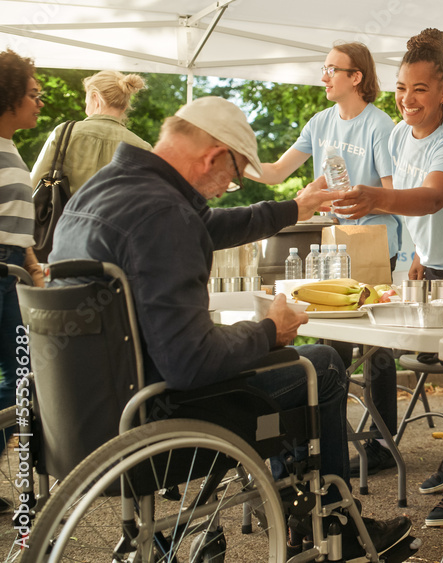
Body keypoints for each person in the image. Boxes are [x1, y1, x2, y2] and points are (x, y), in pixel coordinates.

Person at [47, 96, 414, 560]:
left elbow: (206, 228)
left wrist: (292, 209)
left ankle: (292, 501)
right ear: (214, 156)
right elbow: (191, 362)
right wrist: (268, 330)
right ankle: (333, 521)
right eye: (235, 173)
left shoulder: (105, 190)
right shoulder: (165, 213)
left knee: (280, 360)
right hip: (152, 421)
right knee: (319, 363)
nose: (228, 186)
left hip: (81, 414)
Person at [333, 28, 443, 528]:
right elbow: (405, 200)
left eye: (420, 89)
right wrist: (416, 252)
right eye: (402, 88)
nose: (407, 99)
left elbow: (429, 198)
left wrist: (376, 200)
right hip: (432, 265)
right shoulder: (397, 133)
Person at [247, 41, 404, 478]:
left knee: (377, 348)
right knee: (328, 343)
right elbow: (277, 172)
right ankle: (326, 441)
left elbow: (392, 194)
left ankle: (381, 443)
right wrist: (233, 157)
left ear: (357, 77)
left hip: (375, 245)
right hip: (333, 247)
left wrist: (358, 201)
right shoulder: (320, 122)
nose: (324, 76)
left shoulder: (380, 126)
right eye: (324, 68)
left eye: (333, 69)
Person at [0, 49, 46, 427]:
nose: (40, 103)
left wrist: (30, 261)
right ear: (9, 94)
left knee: (24, 377)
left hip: (12, 270)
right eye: (33, 94)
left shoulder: (10, 146)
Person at [30, 69, 151, 197]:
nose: (85, 104)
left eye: (86, 98)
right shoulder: (143, 148)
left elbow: (33, 183)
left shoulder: (65, 133)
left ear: (95, 97)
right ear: (125, 106)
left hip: (67, 216)